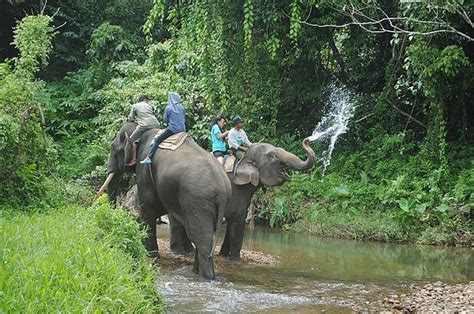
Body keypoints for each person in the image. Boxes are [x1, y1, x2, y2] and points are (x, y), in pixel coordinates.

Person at [140, 92, 186, 164]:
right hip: (183, 129)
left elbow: (165, 119)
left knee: (157, 140)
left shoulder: (168, 108)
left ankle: (149, 157)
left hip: (172, 130)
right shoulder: (181, 107)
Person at [126, 95, 160, 166]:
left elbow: (131, 118)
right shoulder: (149, 105)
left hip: (144, 125)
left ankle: (133, 159)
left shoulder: (135, 106)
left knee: (131, 140)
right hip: (156, 124)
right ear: (145, 100)